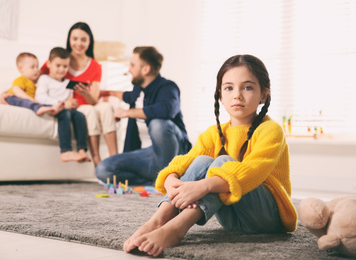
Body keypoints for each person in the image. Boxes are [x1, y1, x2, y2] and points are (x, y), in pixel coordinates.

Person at [123, 54, 298, 257]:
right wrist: (171, 180)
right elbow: (185, 161)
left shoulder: (271, 130)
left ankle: (179, 226)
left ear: (263, 95)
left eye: (247, 87)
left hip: (268, 217)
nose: (237, 95)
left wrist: (202, 186)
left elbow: (252, 173)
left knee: (224, 162)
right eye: (229, 88)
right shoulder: (214, 133)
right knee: (202, 160)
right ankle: (159, 219)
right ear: (220, 95)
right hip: (233, 218)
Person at [96, 46, 192, 185]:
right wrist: (108, 93)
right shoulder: (138, 90)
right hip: (148, 157)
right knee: (103, 169)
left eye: (132, 65)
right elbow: (128, 96)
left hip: (174, 157)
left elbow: (167, 110)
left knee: (158, 124)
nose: (129, 69)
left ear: (145, 69)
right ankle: (155, 182)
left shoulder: (168, 87)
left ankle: (169, 177)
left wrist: (126, 113)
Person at [40, 22, 118, 167]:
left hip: (88, 104)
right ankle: (96, 160)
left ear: (89, 42)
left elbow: (94, 100)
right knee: (88, 111)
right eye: (74, 38)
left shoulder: (95, 66)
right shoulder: (60, 59)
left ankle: (116, 159)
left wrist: (84, 93)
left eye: (83, 39)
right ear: (69, 40)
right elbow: (35, 79)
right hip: (73, 107)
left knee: (106, 107)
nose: (78, 43)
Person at [35, 47, 91, 163]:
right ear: (49, 64)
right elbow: (40, 97)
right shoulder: (44, 79)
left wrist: (72, 104)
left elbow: (69, 100)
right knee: (65, 114)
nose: (61, 69)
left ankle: (82, 149)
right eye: (58, 65)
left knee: (79, 115)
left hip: (66, 109)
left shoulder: (67, 83)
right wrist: (62, 104)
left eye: (65, 66)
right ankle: (65, 151)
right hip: (53, 109)